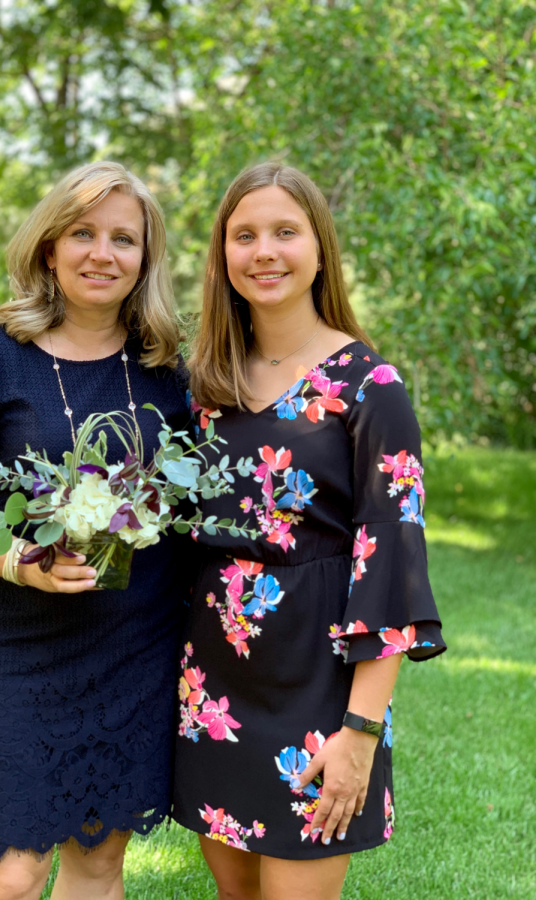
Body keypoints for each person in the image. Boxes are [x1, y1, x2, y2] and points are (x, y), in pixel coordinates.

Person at [0, 161, 190, 900]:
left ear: (145, 259)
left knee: (98, 865)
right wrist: (20, 558)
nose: (103, 253)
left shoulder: (169, 372)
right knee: (9, 876)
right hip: (15, 649)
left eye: (124, 238)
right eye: (83, 232)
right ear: (48, 246)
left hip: (135, 645)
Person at [172, 162, 446, 900]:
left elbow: (390, 558)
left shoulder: (369, 386)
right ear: (221, 256)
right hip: (213, 692)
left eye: (284, 232)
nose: (264, 251)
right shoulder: (202, 381)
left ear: (319, 249)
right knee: (235, 893)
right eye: (244, 235)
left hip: (320, 693)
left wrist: (359, 732)